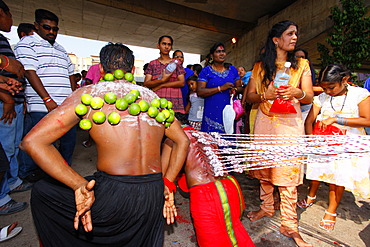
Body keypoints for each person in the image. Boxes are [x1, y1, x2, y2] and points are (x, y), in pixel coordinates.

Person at [20, 43, 189, 246]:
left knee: (42, 191)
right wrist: (168, 184)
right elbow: (182, 141)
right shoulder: (152, 98)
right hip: (153, 192)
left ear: (101, 69)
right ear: (132, 70)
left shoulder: (90, 95)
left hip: (114, 197)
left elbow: (32, 142)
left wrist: (78, 185)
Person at [245, 20, 313, 247]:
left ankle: (289, 224)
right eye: (290, 34)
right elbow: (250, 97)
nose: (295, 37)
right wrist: (267, 94)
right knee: (265, 169)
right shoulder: (259, 67)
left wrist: (297, 91)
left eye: (296, 33)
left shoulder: (302, 65)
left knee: (288, 173)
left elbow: (309, 97)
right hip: (265, 122)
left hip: (289, 125)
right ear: (276, 40)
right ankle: (266, 207)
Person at [298, 64, 370, 231]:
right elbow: (309, 121)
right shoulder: (322, 97)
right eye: (324, 88)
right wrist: (311, 141)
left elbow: (367, 120)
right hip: (322, 141)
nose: (328, 92)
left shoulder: (360, 95)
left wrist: (337, 119)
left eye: (331, 87)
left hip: (348, 143)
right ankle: (311, 195)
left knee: (338, 177)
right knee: (316, 171)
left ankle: (331, 210)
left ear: (345, 80)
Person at [161, 121, 255, 247]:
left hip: (206, 194)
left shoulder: (173, 139)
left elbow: (162, 175)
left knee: (212, 241)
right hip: (230, 186)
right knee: (234, 234)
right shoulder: (205, 136)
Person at [15, 9, 76, 182]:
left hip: (66, 107)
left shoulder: (60, 48)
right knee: (38, 142)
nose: (51, 32)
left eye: (54, 29)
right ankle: (28, 174)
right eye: (47, 27)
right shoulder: (27, 43)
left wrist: (73, 97)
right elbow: (29, 72)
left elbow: (70, 73)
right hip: (42, 105)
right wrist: (47, 99)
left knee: (68, 142)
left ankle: (63, 173)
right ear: (36, 26)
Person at [0, 0, 31, 215]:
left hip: (14, 102)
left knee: (13, 146)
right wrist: (6, 98)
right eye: (9, 14)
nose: (11, 20)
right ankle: (2, 197)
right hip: (6, 105)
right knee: (4, 149)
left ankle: (12, 181)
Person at [196, 42, 241, 133]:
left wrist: (235, 89)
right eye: (218, 51)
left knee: (228, 138)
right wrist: (220, 88)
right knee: (212, 141)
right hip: (212, 110)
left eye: (223, 51)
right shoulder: (206, 71)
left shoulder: (232, 70)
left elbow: (241, 88)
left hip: (228, 110)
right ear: (212, 55)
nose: (221, 54)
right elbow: (200, 91)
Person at [144, 35, 185, 113]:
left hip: (174, 101)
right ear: (158, 46)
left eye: (169, 44)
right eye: (164, 44)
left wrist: (162, 84)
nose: (166, 47)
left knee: (175, 123)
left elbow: (181, 82)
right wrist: (162, 80)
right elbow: (147, 83)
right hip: (157, 100)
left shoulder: (176, 63)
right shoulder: (152, 64)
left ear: (171, 47)